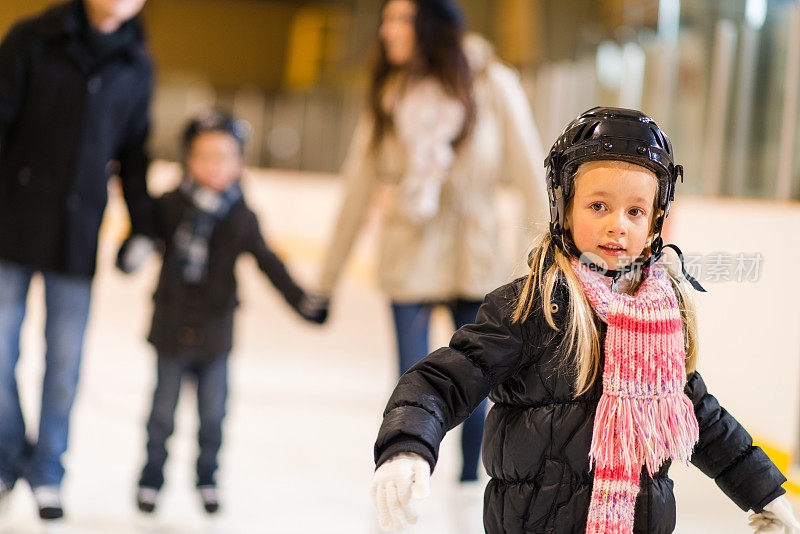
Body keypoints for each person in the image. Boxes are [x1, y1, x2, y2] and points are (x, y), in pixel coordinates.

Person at [369, 107, 800, 533]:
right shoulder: (531, 309)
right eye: (599, 206)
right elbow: (442, 380)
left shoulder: (661, 322)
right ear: (564, 206)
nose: (618, 226)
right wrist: (408, 444)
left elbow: (700, 417)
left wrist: (764, 490)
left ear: (655, 221)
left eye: (635, 211)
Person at [320, 0, 548, 487]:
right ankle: (407, 481)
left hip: (477, 258)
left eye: (400, 19)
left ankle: (471, 487)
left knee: (480, 386)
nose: (386, 31)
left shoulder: (491, 82)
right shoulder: (391, 92)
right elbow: (357, 187)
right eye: (386, 19)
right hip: (409, 255)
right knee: (411, 382)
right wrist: (326, 280)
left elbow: (531, 177)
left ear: (432, 25)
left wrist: (547, 264)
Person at [117, 111, 329, 514]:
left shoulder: (241, 216)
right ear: (188, 160)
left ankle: (207, 478)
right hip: (170, 329)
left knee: (213, 416)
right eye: (205, 156)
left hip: (216, 335)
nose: (215, 166)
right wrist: (129, 255)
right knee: (161, 415)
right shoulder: (169, 205)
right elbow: (140, 235)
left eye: (225, 157)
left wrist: (302, 301)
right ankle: (151, 478)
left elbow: (270, 263)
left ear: (239, 163)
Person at [0, 0, 153, 520]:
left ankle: (48, 472)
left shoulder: (137, 64)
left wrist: (142, 225)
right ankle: (6, 456)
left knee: (63, 367)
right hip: (10, 225)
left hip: (76, 235)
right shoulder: (31, 39)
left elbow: (134, 154)